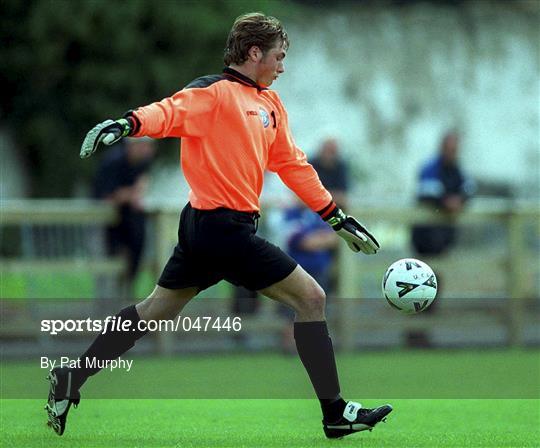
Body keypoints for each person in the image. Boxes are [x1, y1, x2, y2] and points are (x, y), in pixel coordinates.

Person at [45, 13, 391, 439]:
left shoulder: (271, 105)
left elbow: (291, 164)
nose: (282, 66)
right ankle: (335, 413)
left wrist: (334, 215)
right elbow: (168, 113)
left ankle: (70, 379)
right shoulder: (213, 92)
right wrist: (127, 123)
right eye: (279, 57)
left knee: (153, 311)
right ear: (254, 52)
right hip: (220, 228)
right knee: (312, 298)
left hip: (209, 228)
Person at [408, 131, 474, 347]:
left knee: (434, 281)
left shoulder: (456, 170)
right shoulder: (430, 167)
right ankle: (415, 333)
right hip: (425, 237)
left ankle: (421, 332)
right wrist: (447, 201)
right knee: (420, 282)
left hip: (441, 238)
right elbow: (427, 193)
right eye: (449, 147)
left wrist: (459, 200)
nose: (452, 152)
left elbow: (469, 189)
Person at [93, 137, 156, 300]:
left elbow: (142, 182)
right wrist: (132, 194)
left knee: (135, 256)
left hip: (129, 219)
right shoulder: (113, 162)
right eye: (144, 145)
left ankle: (126, 296)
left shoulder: (143, 162)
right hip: (107, 222)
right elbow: (106, 196)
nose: (149, 150)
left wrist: (135, 192)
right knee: (108, 264)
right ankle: (107, 303)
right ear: (132, 146)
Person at [310, 138, 350, 209]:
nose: (328, 155)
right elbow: (300, 198)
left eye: (332, 151)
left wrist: (317, 196)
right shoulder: (311, 165)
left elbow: (343, 198)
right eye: (327, 150)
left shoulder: (340, 166)